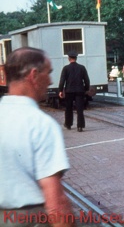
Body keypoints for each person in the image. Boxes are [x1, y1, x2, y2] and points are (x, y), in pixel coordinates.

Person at [0, 47, 74, 226]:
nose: (50, 81)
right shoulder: (41, 124)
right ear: (33, 75)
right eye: (48, 73)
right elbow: (55, 203)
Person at [59, 50, 90, 132]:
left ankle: (68, 124)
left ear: (69, 58)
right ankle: (80, 126)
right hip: (80, 91)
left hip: (69, 91)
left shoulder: (66, 68)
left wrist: (60, 90)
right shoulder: (82, 68)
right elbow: (87, 80)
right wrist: (86, 89)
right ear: (76, 58)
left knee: (68, 108)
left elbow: (62, 80)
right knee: (80, 109)